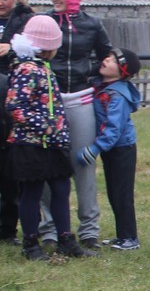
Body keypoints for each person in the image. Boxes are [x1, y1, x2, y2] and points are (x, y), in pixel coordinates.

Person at [5, 15, 97, 261]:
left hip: (54, 144)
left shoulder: (44, 69)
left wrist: (59, 132)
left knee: (61, 187)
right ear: (47, 46)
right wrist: (44, 126)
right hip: (30, 144)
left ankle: (65, 239)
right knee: (32, 192)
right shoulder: (26, 70)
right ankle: (30, 244)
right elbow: (15, 107)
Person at [39, 0, 112, 249]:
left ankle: (89, 229)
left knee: (84, 163)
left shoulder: (92, 25)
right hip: (50, 100)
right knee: (47, 163)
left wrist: (87, 72)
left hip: (81, 98)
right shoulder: (45, 21)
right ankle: (49, 229)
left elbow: (106, 56)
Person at [75, 48, 142, 251]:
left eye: (113, 60)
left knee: (122, 194)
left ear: (122, 71)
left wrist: (95, 148)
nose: (106, 60)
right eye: (108, 57)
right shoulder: (102, 86)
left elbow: (114, 128)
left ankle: (130, 238)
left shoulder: (117, 95)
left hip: (122, 149)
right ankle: (122, 235)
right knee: (113, 192)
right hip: (111, 149)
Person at [0, 0, 36, 246]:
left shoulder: (26, 20)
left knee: (10, 165)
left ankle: (9, 228)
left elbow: (37, 52)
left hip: (13, 96)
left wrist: (10, 50)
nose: (0, 3)